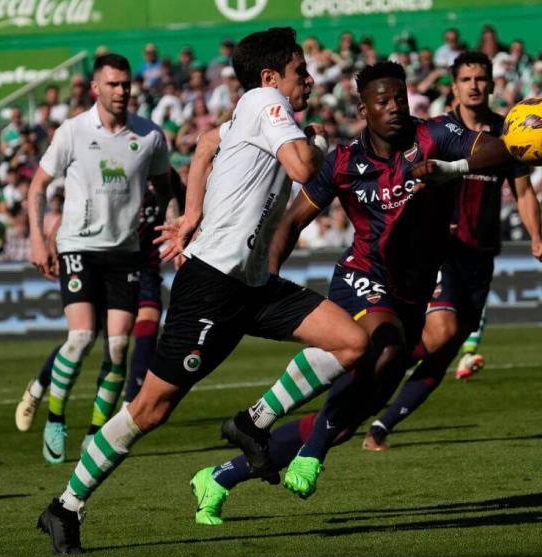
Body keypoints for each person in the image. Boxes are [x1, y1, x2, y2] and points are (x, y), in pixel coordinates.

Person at [37, 27, 370, 555]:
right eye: (299, 71)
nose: (309, 78)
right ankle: (65, 507)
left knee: (352, 342)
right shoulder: (265, 101)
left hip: (253, 284)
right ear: (270, 78)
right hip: (212, 284)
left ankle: (251, 422)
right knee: (151, 409)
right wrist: (320, 151)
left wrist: (192, 212)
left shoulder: (252, 111)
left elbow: (209, 144)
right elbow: (305, 168)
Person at [186, 60, 517, 523]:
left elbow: (503, 153)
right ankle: (313, 451)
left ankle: (219, 477)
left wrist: (451, 168)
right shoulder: (343, 162)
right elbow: (293, 221)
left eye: (400, 98)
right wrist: (267, 279)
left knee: (346, 417)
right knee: (383, 350)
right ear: (364, 109)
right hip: (362, 278)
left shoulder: (436, 136)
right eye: (382, 102)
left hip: (410, 296)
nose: (395, 108)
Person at [362, 51, 542, 451]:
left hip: (481, 255)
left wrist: (536, 235)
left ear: (492, 84)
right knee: (442, 331)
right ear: (454, 86)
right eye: (466, 79)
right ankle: (370, 371)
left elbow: (523, 191)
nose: (475, 85)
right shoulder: (438, 132)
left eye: (481, 78)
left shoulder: (508, 134)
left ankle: (381, 426)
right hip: (441, 250)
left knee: (446, 351)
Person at [27, 53, 171, 469]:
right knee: (81, 337)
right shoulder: (72, 131)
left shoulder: (149, 136)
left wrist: (176, 223)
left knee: (119, 346)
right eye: (113, 84)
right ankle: (55, 419)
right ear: (96, 88)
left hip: (124, 252)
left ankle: (96, 432)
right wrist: (38, 239)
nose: (121, 90)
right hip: (78, 248)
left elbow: (165, 187)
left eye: (126, 84)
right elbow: (38, 187)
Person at [15, 170, 185, 434]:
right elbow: (73, 212)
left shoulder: (165, 173)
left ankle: (129, 407)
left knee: (146, 327)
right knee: (85, 335)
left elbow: (183, 210)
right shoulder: (117, 168)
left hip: (146, 268)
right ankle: (37, 388)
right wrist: (49, 244)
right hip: (107, 264)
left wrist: (184, 238)